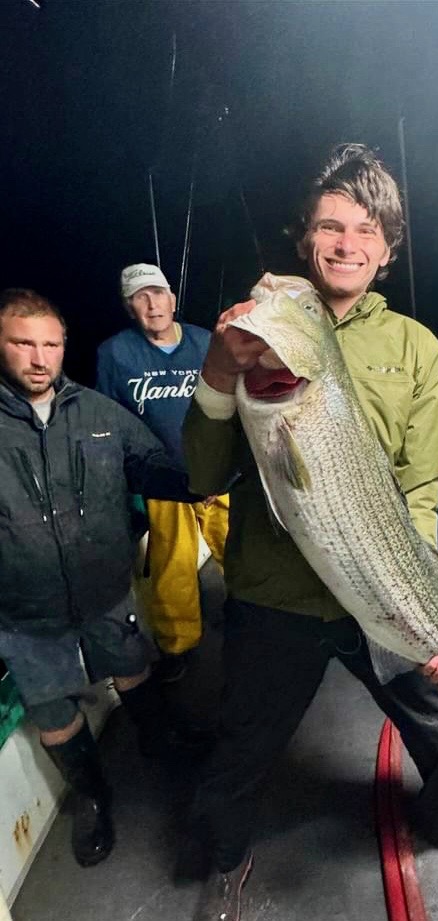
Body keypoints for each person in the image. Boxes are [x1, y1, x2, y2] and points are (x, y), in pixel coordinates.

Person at [182, 145, 438, 921]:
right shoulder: (258, 333)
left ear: (387, 250)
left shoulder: (416, 350)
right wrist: (221, 371)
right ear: (306, 238)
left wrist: (420, 605)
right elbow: (201, 474)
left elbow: (420, 491)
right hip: (275, 596)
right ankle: (228, 859)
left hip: (381, 597)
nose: (345, 242)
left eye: (366, 229)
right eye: (330, 225)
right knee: (242, 745)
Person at [0, 288, 207, 869]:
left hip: (104, 590)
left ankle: (158, 743)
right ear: (2, 346)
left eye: (51, 344)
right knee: (52, 711)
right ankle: (92, 795)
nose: (39, 358)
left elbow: (155, 467)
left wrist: (216, 470)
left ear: (65, 346)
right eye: (22, 343)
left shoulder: (97, 412)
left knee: (133, 666)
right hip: (22, 610)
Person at [96, 264, 229, 682]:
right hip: (162, 483)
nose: (152, 304)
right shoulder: (115, 354)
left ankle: (256, 628)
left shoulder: (206, 342)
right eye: (140, 297)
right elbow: (107, 423)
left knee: (243, 553)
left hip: (220, 476)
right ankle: (179, 649)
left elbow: (232, 405)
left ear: (173, 298)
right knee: (172, 569)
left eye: (158, 293)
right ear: (128, 307)